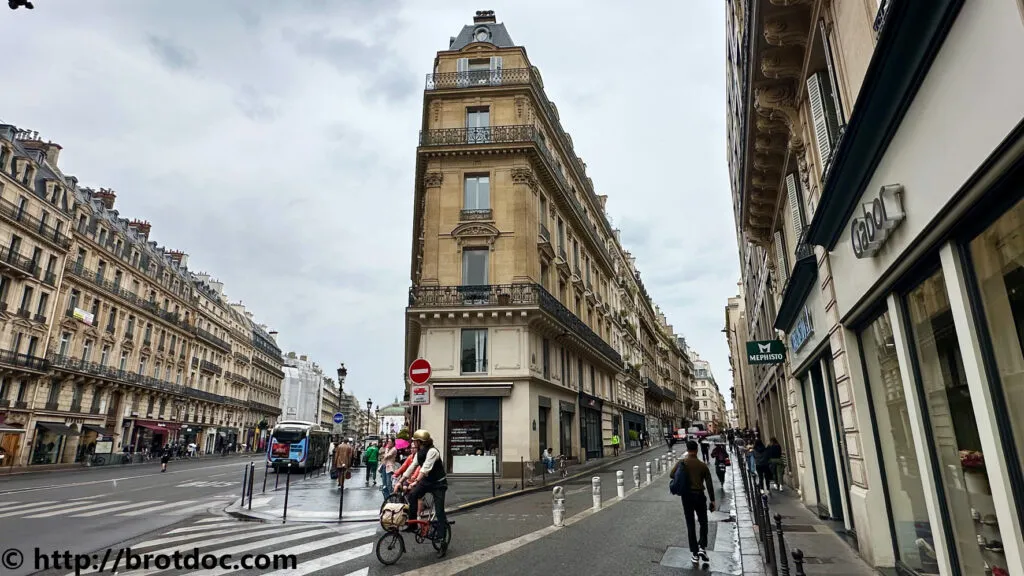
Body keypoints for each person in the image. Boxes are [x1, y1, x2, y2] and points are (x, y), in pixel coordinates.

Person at [398, 430, 448, 545]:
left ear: (420, 442)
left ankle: (442, 538)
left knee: (439, 511)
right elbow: (412, 467)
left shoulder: (433, 452)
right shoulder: (419, 453)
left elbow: (425, 468)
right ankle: (413, 525)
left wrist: (415, 481)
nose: (413, 443)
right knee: (412, 495)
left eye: (414, 441)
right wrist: (400, 481)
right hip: (426, 481)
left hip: (438, 484)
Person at [671, 440, 715, 565]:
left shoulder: (682, 462)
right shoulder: (702, 465)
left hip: (686, 497)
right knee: (703, 522)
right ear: (696, 450)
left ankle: (695, 553)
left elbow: (671, 474)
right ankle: (702, 547)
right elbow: (709, 484)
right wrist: (712, 500)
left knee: (690, 523)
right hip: (699, 496)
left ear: (687, 449)